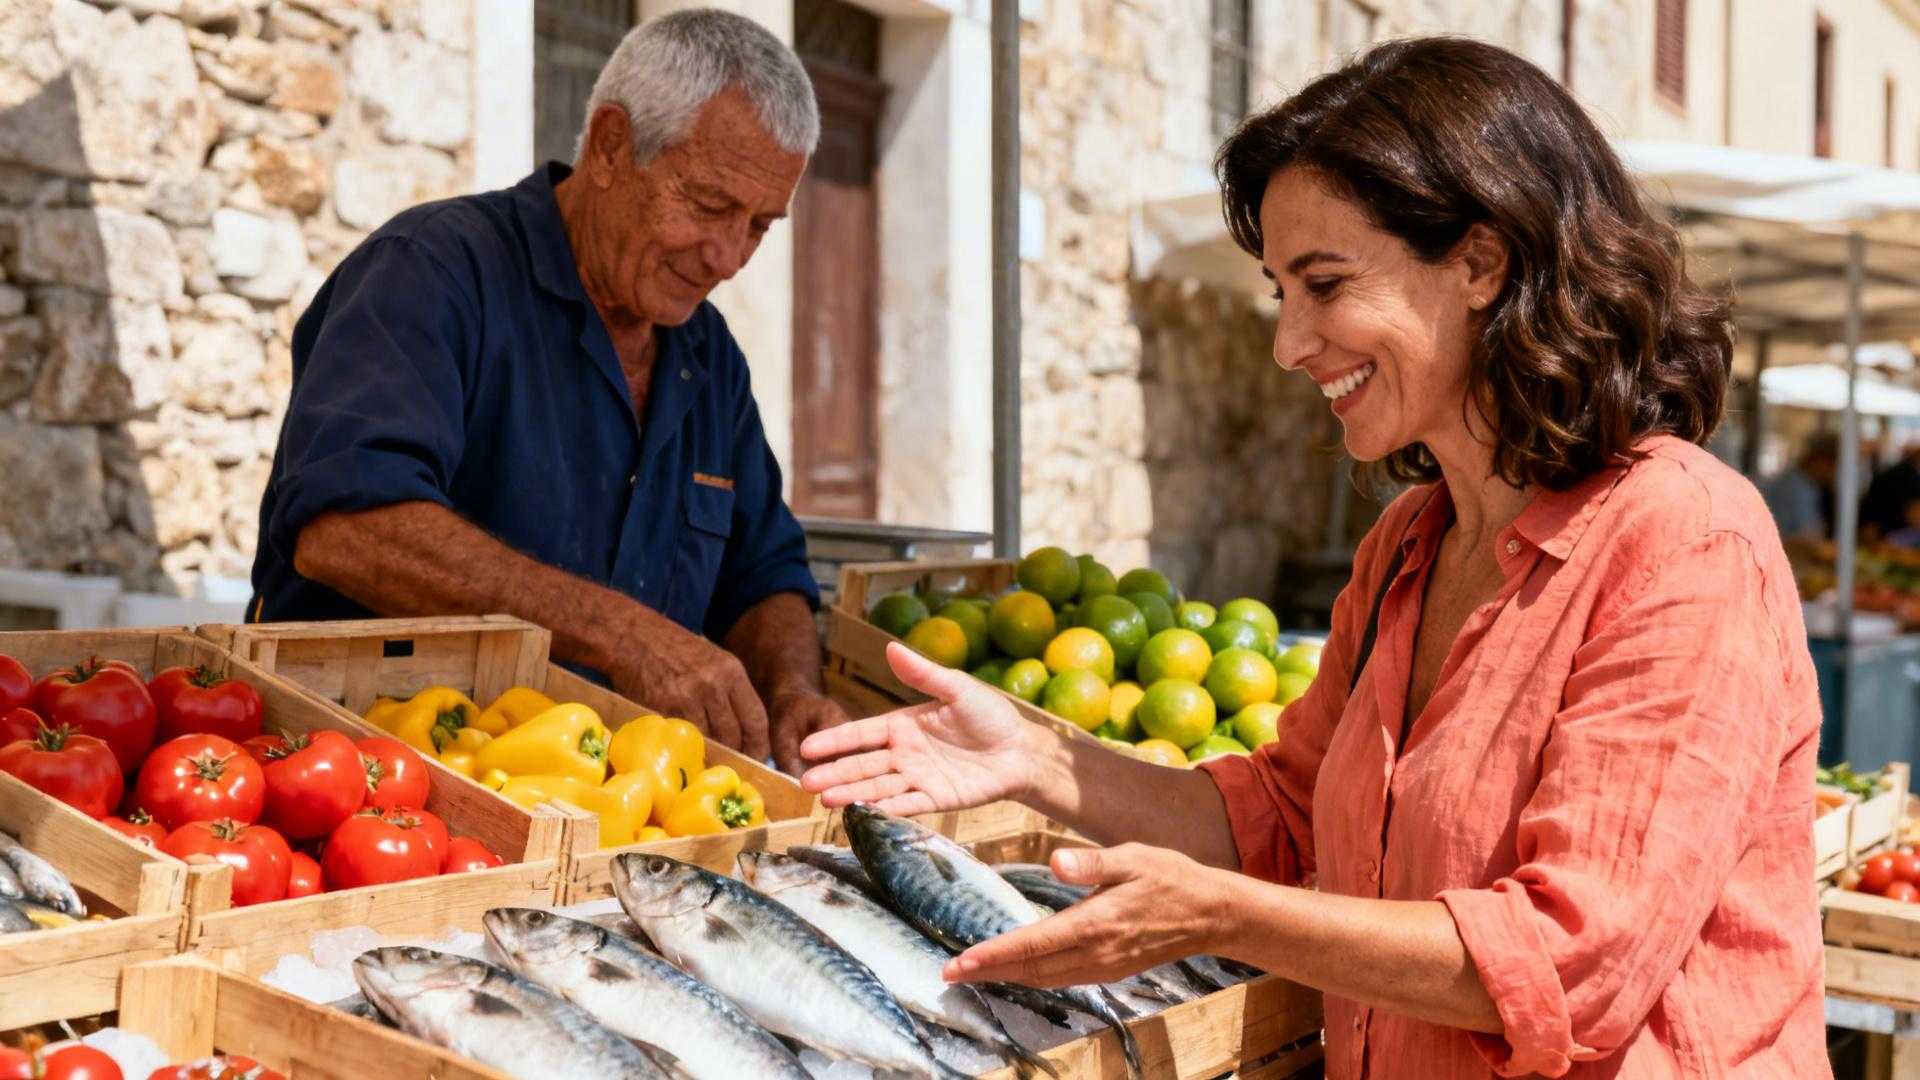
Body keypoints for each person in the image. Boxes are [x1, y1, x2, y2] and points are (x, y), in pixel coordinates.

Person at [803, 37, 1826, 1079]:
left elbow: (1570, 963)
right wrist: (1039, 758)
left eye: (1324, 284)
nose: (1290, 343)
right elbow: (1283, 819)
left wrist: (1222, 919)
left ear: (1481, 262)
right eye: (1280, 291)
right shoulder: (1406, 548)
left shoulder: (1684, 541)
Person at [250, 11, 849, 773]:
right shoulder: (432, 272)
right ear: (609, 146)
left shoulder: (710, 358)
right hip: (361, 781)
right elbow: (345, 527)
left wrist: (791, 687)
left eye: (760, 225)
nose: (729, 257)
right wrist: (621, 634)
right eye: (707, 207)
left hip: (612, 807)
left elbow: (763, 573)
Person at [1759, 433, 1838, 542]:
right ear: (1819, 460)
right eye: (1831, 465)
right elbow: (1807, 537)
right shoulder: (1794, 487)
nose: (1832, 472)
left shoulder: (1809, 485)